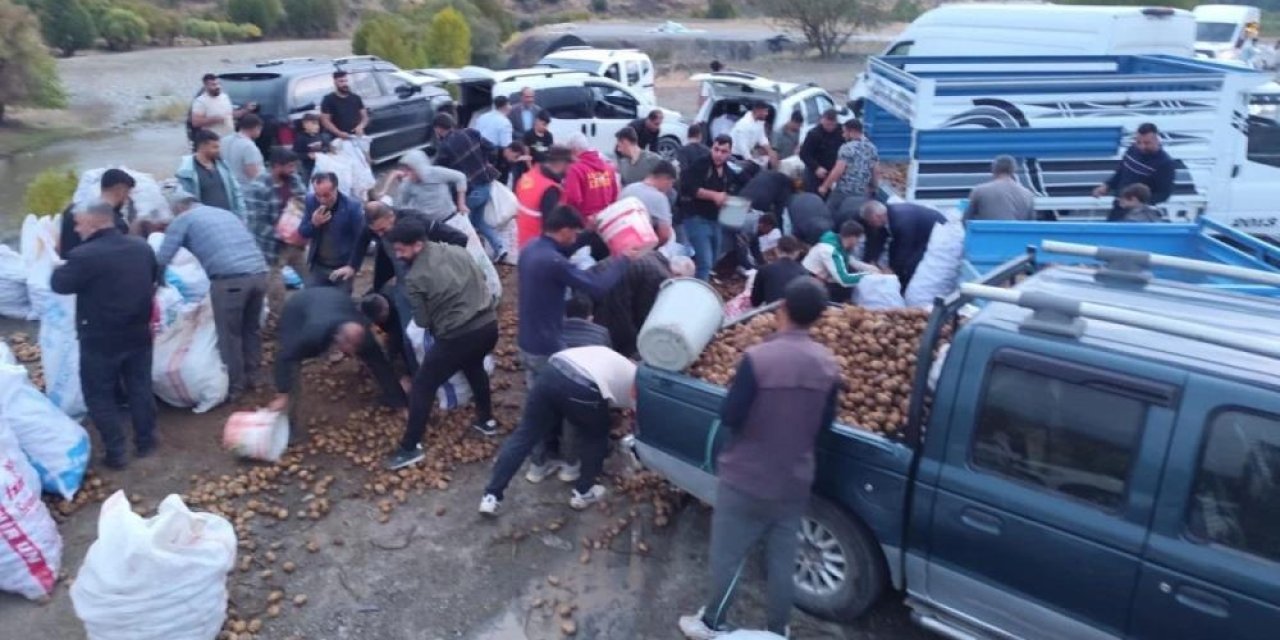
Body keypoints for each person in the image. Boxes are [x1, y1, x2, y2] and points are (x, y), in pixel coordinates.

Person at [678, 278, 840, 640]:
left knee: (729, 555)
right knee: (783, 558)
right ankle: (778, 629)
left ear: (782, 309)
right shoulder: (828, 365)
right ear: (817, 318)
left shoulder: (759, 359)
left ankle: (711, 622)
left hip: (747, 477)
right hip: (796, 478)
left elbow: (731, 414)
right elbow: (825, 424)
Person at [518, 206, 629, 480]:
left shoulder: (532, 249)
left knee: (538, 406)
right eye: (575, 232)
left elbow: (562, 253)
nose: (575, 237)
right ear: (564, 230)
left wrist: (588, 234)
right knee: (569, 406)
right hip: (548, 347)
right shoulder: (554, 263)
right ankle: (570, 465)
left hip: (527, 342)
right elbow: (597, 287)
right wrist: (623, 260)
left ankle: (538, 464)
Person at [50, 200, 160, 469]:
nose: (76, 229)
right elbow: (155, 278)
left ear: (94, 222)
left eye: (78, 222)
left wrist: (55, 264)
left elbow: (59, 285)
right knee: (140, 387)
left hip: (99, 339)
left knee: (99, 394)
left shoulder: (84, 255)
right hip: (138, 333)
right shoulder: (141, 247)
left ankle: (116, 452)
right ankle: (145, 442)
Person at [384, 219, 500, 470]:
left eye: (401, 249)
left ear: (417, 245)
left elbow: (423, 321)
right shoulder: (457, 250)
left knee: (424, 384)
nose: (397, 254)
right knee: (473, 367)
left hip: (458, 336)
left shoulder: (415, 278)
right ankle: (487, 421)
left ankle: (410, 446)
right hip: (489, 327)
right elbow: (480, 278)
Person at [480, 344, 637, 515]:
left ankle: (491, 496)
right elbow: (638, 420)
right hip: (584, 386)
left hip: (551, 372)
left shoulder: (616, 361)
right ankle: (583, 492)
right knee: (596, 436)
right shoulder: (638, 385)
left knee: (525, 435)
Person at [156, 188, 269, 400]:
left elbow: (163, 257)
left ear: (178, 208)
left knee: (230, 334)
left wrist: (158, 284)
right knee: (250, 329)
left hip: (230, 281)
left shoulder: (183, 219)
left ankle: (236, 387)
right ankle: (254, 376)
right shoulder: (223, 213)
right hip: (260, 274)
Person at [266, 288, 406, 436]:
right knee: (292, 369)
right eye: (350, 347)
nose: (352, 352)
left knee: (371, 354)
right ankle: (289, 429)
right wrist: (283, 392)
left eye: (357, 347)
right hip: (297, 308)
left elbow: (381, 365)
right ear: (338, 338)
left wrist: (401, 404)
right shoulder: (312, 336)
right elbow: (284, 356)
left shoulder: (361, 333)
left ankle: (394, 400)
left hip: (333, 298)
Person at [349, 201, 469, 305]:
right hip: (403, 286)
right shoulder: (376, 225)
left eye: (382, 230)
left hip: (432, 284)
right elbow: (362, 240)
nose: (380, 235)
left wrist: (444, 264)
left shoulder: (417, 220)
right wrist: (352, 266)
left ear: (391, 216)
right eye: (375, 232)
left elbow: (459, 238)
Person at [244, 148, 308, 316]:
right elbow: (256, 224)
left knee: (310, 276)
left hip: (296, 243)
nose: (293, 170)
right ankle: (279, 320)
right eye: (289, 166)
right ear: (276, 166)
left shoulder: (293, 180)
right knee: (276, 290)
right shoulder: (257, 187)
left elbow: (304, 201)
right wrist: (284, 235)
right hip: (272, 247)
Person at [434, 113, 505, 261]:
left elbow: (437, 173)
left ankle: (474, 256)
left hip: (471, 191)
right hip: (486, 184)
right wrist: (485, 163)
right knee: (478, 221)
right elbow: (492, 148)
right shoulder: (470, 132)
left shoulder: (445, 147)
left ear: (439, 129)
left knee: (462, 224)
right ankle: (500, 246)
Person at [589, 251, 672, 358]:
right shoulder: (660, 276)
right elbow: (644, 314)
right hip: (619, 289)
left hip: (602, 273)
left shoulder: (653, 258)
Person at [678, 135, 734, 280]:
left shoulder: (728, 171)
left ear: (729, 153)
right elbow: (688, 187)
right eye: (716, 150)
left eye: (723, 151)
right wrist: (713, 196)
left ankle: (690, 277)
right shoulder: (701, 165)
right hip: (696, 217)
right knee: (705, 263)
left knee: (714, 257)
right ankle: (698, 294)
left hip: (715, 220)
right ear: (711, 148)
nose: (719, 155)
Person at [1093, 122, 1175, 221]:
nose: (1142, 146)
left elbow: (1164, 194)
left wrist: (1138, 202)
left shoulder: (1165, 163)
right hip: (1119, 207)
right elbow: (1121, 173)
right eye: (1138, 142)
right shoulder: (1132, 150)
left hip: (1139, 215)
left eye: (1147, 143)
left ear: (1157, 140)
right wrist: (1107, 185)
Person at [861, 200, 947, 291]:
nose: (869, 224)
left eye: (870, 221)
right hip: (917, 232)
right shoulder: (887, 215)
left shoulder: (901, 221)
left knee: (912, 264)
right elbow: (879, 240)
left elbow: (905, 247)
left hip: (935, 233)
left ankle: (905, 288)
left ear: (877, 216)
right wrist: (871, 261)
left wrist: (892, 269)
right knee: (894, 252)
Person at [299, 172, 365, 291]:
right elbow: (303, 232)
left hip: (342, 266)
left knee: (339, 304)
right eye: (318, 195)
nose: (322, 200)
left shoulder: (352, 207)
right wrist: (314, 224)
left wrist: (352, 266)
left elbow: (360, 240)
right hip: (318, 266)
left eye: (326, 195)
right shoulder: (311, 201)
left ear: (336, 189)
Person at [58, 168, 136, 256]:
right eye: (128, 193)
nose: (128, 198)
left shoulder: (71, 210)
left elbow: (61, 244)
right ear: (120, 190)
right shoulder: (116, 223)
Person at [176, 129, 246, 218]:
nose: (218, 150)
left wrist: (241, 217)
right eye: (215, 147)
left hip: (229, 218)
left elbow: (236, 192)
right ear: (203, 147)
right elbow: (186, 202)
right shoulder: (186, 172)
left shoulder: (224, 166)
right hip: (204, 221)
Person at [803, 220, 878, 302]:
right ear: (852, 238)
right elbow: (844, 280)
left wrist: (871, 269)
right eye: (858, 239)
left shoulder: (838, 243)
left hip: (818, 280)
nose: (858, 243)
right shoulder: (830, 251)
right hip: (810, 286)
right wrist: (868, 275)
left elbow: (851, 261)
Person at [385, 149, 468, 222]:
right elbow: (400, 206)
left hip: (450, 217)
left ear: (419, 167)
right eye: (405, 170)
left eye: (410, 170)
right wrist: (399, 186)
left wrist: (461, 204)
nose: (407, 174)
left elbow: (460, 177)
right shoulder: (407, 184)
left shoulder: (436, 172)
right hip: (430, 225)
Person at [819, 119, 878, 215]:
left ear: (852, 132)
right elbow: (875, 171)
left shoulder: (847, 148)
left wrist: (825, 186)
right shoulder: (872, 148)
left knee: (827, 214)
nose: (843, 135)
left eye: (845, 132)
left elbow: (838, 170)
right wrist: (874, 187)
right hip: (862, 193)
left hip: (844, 192)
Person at [563, 132, 620, 225]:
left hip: (585, 223)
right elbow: (614, 195)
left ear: (573, 150)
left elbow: (573, 199)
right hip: (605, 220)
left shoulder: (575, 169)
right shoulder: (608, 167)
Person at [620, 159, 678, 246]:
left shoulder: (628, 188)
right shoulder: (659, 198)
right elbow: (665, 235)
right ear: (666, 179)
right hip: (642, 246)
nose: (670, 187)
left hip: (621, 239)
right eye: (671, 183)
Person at [964, 155, 1035, 222]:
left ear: (993, 169)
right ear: (1014, 170)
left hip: (988, 234)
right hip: (1018, 234)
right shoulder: (1028, 194)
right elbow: (1031, 224)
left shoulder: (979, 191)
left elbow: (966, 220)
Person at [515, 145, 573, 221]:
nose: (571, 168)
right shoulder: (550, 189)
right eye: (570, 164)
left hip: (522, 230)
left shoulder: (529, 175)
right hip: (537, 230)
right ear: (562, 163)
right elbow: (552, 227)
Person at [750, 235, 808, 307]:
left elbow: (755, 301)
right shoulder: (804, 272)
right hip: (796, 314)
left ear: (777, 250)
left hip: (772, 314)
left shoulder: (764, 269)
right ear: (797, 252)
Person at [190, 73, 252, 138]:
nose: (217, 87)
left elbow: (231, 115)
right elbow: (195, 122)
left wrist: (247, 110)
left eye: (218, 84)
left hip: (229, 137)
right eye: (213, 85)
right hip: (213, 140)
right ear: (206, 86)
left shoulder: (224, 97)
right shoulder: (200, 101)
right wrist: (215, 119)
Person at [800, 109, 845, 193]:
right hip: (815, 172)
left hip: (834, 172)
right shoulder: (814, 134)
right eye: (828, 124)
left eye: (832, 125)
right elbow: (804, 154)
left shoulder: (841, 132)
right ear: (822, 120)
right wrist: (816, 167)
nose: (830, 127)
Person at [220, 113, 265, 190]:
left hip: (225, 186)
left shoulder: (223, 141)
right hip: (244, 189)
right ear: (256, 128)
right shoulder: (249, 147)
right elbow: (252, 172)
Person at [320, 70, 368, 140]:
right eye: (341, 81)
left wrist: (361, 126)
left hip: (358, 136)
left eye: (346, 81)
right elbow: (325, 121)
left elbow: (365, 117)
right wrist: (338, 133)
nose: (345, 84)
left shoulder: (356, 98)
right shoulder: (328, 100)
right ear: (335, 82)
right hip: (339, 139)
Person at [729, 101, 772, 166]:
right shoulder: (743, 124)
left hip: (748, 153)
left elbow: (762, 137)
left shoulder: (760, 121)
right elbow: (742, 146)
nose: (767, 114)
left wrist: (770, 151)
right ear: (757, 111)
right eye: (765, 111)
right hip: (736, 156)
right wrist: (751, 161)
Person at [292, 113, 331, 182]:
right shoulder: (301, 138)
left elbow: (326, 147)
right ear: (305, 124)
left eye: (318, 124)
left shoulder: (319, 136)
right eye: (314, 124)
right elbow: (295, 154)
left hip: (321, 166)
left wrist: (323, 151)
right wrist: (308, 155)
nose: (317, 126)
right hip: (308, 168)